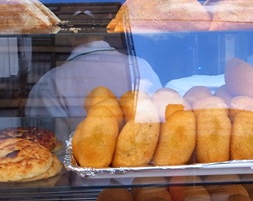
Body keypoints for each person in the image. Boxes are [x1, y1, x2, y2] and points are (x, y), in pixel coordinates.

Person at [25, 33, 162, 129]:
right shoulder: (140, 67)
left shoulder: (51, 80)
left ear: (70, 38)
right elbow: (158, 119)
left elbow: (46, 139)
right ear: (103, 34)